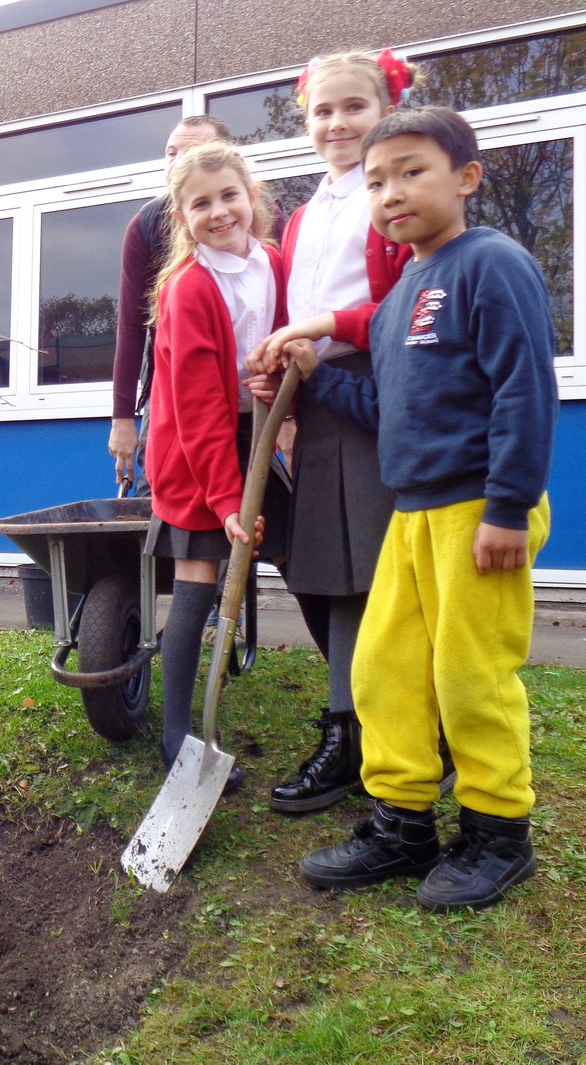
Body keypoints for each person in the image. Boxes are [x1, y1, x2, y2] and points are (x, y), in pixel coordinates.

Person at [271, 107, 557, 910]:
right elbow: (387, 407)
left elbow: (526, 389)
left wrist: (507, 506)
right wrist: (316, 374)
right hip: (414, 511)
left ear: (467, 178)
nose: (391, 192)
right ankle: (402, 824)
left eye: (411, 171)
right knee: (384, 667)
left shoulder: (489, 263)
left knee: (471, 675)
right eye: (375, 181)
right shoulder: (401, 297)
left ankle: (498, 833)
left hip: (479, 510)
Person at [247, 50, 420, 815]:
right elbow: (289, 307)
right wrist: (275, 364)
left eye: (355, 107)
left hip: (372, 385)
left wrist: (320, 329)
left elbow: (406, 305)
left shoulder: (392, 200)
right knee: (319, 562)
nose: (338, 123)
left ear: (386, 110)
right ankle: (370, 721)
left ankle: (360, 732)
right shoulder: (303, 214)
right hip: (314, 390)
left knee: (368, 574)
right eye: (323, 111)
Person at [144, 141, 290, 788]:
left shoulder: (274, 264)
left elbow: (289, 338)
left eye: (229, 194)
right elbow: (199, 404)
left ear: (252, 197)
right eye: (200, 203)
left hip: (251, 432)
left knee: (297, 554)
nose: (219, 211)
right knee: (198, 577)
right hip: (194, 445)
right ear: (182, 217)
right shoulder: (188, 288)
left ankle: (350, 713)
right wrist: (227, 501)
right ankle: (178, 731)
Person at [109, 115, 231, 494]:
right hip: (170, 392)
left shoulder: (257, 217)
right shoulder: (146, 226)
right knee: (161, 501)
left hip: (244, 387)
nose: (178, 162)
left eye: (192, 153)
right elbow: (131, 325)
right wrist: (123, 418)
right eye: (171, 154)